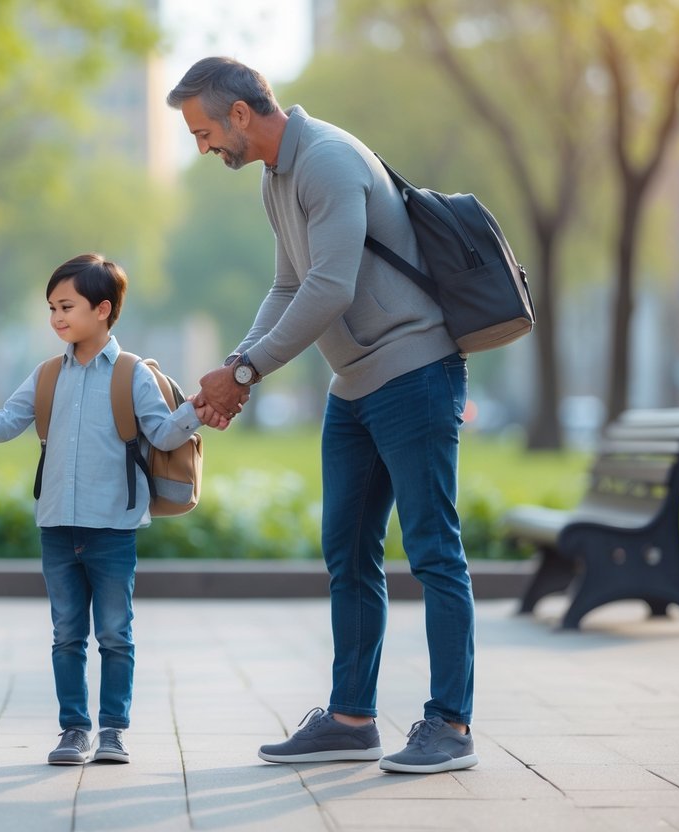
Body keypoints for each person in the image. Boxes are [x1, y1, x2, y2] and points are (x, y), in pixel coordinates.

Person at [166, 57, 478, 774]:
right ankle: (350, 719)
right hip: (354, 385)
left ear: (240, 114)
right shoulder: (278, 179)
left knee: (431, 550)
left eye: (204, 130)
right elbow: (286, 285)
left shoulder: (329, 161)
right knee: (347, 551)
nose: (204, 147)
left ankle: (450, 724)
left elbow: (330, 288)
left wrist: (242, 372)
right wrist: (236, 368)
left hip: (412, 371)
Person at [0, 253, 212, 766]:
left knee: (115, 634)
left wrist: (198, 409)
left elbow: (165, 432)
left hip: (113, 528)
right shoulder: (45, 377)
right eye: (51, 308)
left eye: (67, 306)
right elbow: (0, 425)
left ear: (102, 309)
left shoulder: (132, 374)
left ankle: (113, 732)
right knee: (66, 636)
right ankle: (73, 730)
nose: (56, 317)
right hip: (57, 527)